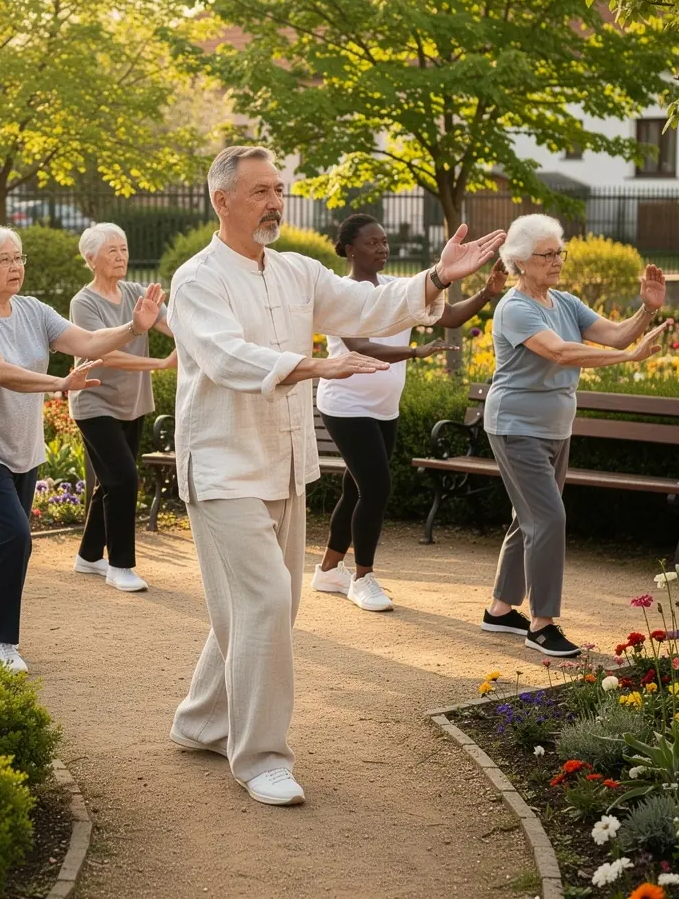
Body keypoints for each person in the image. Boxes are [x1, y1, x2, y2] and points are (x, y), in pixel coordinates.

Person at [167, 145, 505, 806]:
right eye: (261, 191)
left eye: (278, 189)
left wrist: (436, 276)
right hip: (222, 467)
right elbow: (226, 357)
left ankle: (203, 720)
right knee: (263, 603)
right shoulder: (197, 280)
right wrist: (315, 368)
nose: (274, 201)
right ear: (222, 200)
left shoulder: (297, 272)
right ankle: (262, 758)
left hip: (284, 465)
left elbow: (367, 307)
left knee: (272, 604)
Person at [0, 225, 164, 672]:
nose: (15, 266)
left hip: (21, 445)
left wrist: (132, 328)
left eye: (18, 257)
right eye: (4, 260)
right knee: (14, 538)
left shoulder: (32, 310)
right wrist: (60, 383)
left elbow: (85, 342)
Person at [480, 213, 670, 658]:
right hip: (516, 427)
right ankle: (542, 624)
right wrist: (628, 359)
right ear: (521, 262)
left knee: (527, 518)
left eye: (559, 252)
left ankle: (501, 610)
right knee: (548, 519)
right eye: (547, 254)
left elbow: (616, 335)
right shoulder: (514, 307)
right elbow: (561, 353)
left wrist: (647, 309)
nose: (557, 260)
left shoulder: (564, 302)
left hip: (554, 429)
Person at [313, 214, 509, 612]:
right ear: (350, 249)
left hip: (384, 409)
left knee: (358, 487)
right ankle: (363, 578)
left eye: (385, 242)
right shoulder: (340, 294)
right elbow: (360, 346)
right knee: (377, 487)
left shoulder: (398, 290)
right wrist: (414, 352)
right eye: (372, 243)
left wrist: (487, 294)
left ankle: (329, 569)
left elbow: (448, 316)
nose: (382, 248)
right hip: (346, 406)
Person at [68, 223, 177, 593]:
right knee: (124, 479)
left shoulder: (135, 292)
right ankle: (120, 565)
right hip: (94, 402)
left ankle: (87, 556)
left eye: (124, 248)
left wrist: (204, 336)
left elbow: (170, 324)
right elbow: (106, 354)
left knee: (111, 482)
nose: (121, 256)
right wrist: (161, 365)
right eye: (111, 250)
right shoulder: (84, 303)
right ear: (91, 259)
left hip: (132, 404)